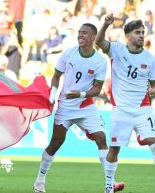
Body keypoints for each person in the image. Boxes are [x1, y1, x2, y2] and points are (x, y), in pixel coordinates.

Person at [33, 23, 125, 193]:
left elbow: (97, 89)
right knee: (56, 142)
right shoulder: (68, 53)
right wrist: (52, 96)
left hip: (85, 106)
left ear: (92, 37)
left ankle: (110, 182)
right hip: (66, 106)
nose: (80, 35)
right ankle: (40, 179)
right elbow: (56, 77)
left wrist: (81, 95)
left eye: (85, 33)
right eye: (79, 33)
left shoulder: (100, 61)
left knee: (101, 138)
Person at [95, 14, 155, 193]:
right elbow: (99, 42)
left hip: (142, 108)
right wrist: (105, 25)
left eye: (143, 32)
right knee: (114, 149)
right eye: (137, 32)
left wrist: (154, 89)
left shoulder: (150, 58)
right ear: (128, 35)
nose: (141, 36)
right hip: (121, 110)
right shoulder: (116, 50)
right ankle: (108, 187)